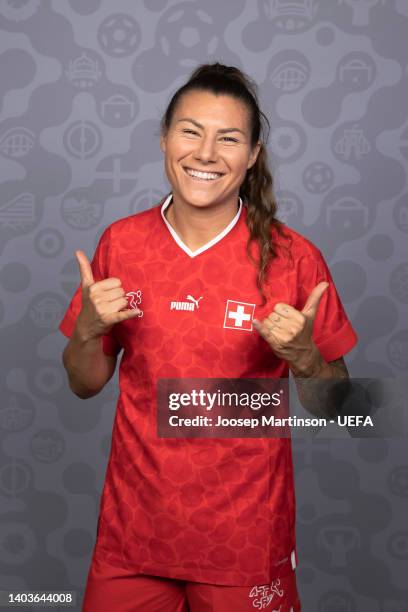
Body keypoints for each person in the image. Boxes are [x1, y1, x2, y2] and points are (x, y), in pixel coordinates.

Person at [59, 63, 358, 612]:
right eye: (190, 131)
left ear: (253, 155)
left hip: (245, 544)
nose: (205, 152)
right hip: (133, 538)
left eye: (229, 138)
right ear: (165, 139)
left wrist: (306, 359)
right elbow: (85, 384)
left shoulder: (294, 259)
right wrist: (87, 331)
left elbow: (344, 412)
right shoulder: (121, 244)